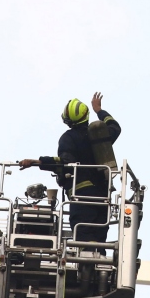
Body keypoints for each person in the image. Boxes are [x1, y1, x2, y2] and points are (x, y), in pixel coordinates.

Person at [19, 92, 121, 243]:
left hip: (82, 198)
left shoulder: (69, 138)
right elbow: (115, 126)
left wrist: (37, 162)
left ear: (68, 121)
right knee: (99, 241)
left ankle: (87, 265)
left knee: (83, 240)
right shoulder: (100, 135)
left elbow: (64, 163)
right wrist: (99, 110)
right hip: (103, 197)